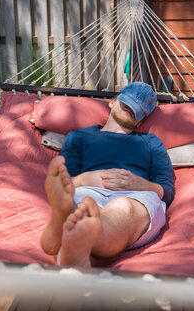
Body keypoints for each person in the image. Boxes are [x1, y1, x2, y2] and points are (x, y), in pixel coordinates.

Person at [40, 82, 175, 267]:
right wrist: (85, 179)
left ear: (140, 121)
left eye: (136, 110)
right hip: (88, 190)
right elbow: (64, 180)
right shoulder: (79, 137)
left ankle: (68, 230)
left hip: (137, 196)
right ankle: (81, 244)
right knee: (83, 202)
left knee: (122, 207)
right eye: (125, 103)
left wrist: (140, 184)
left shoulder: (151, 142)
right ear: (112, 102)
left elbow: (167, 190)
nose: (129, 109)